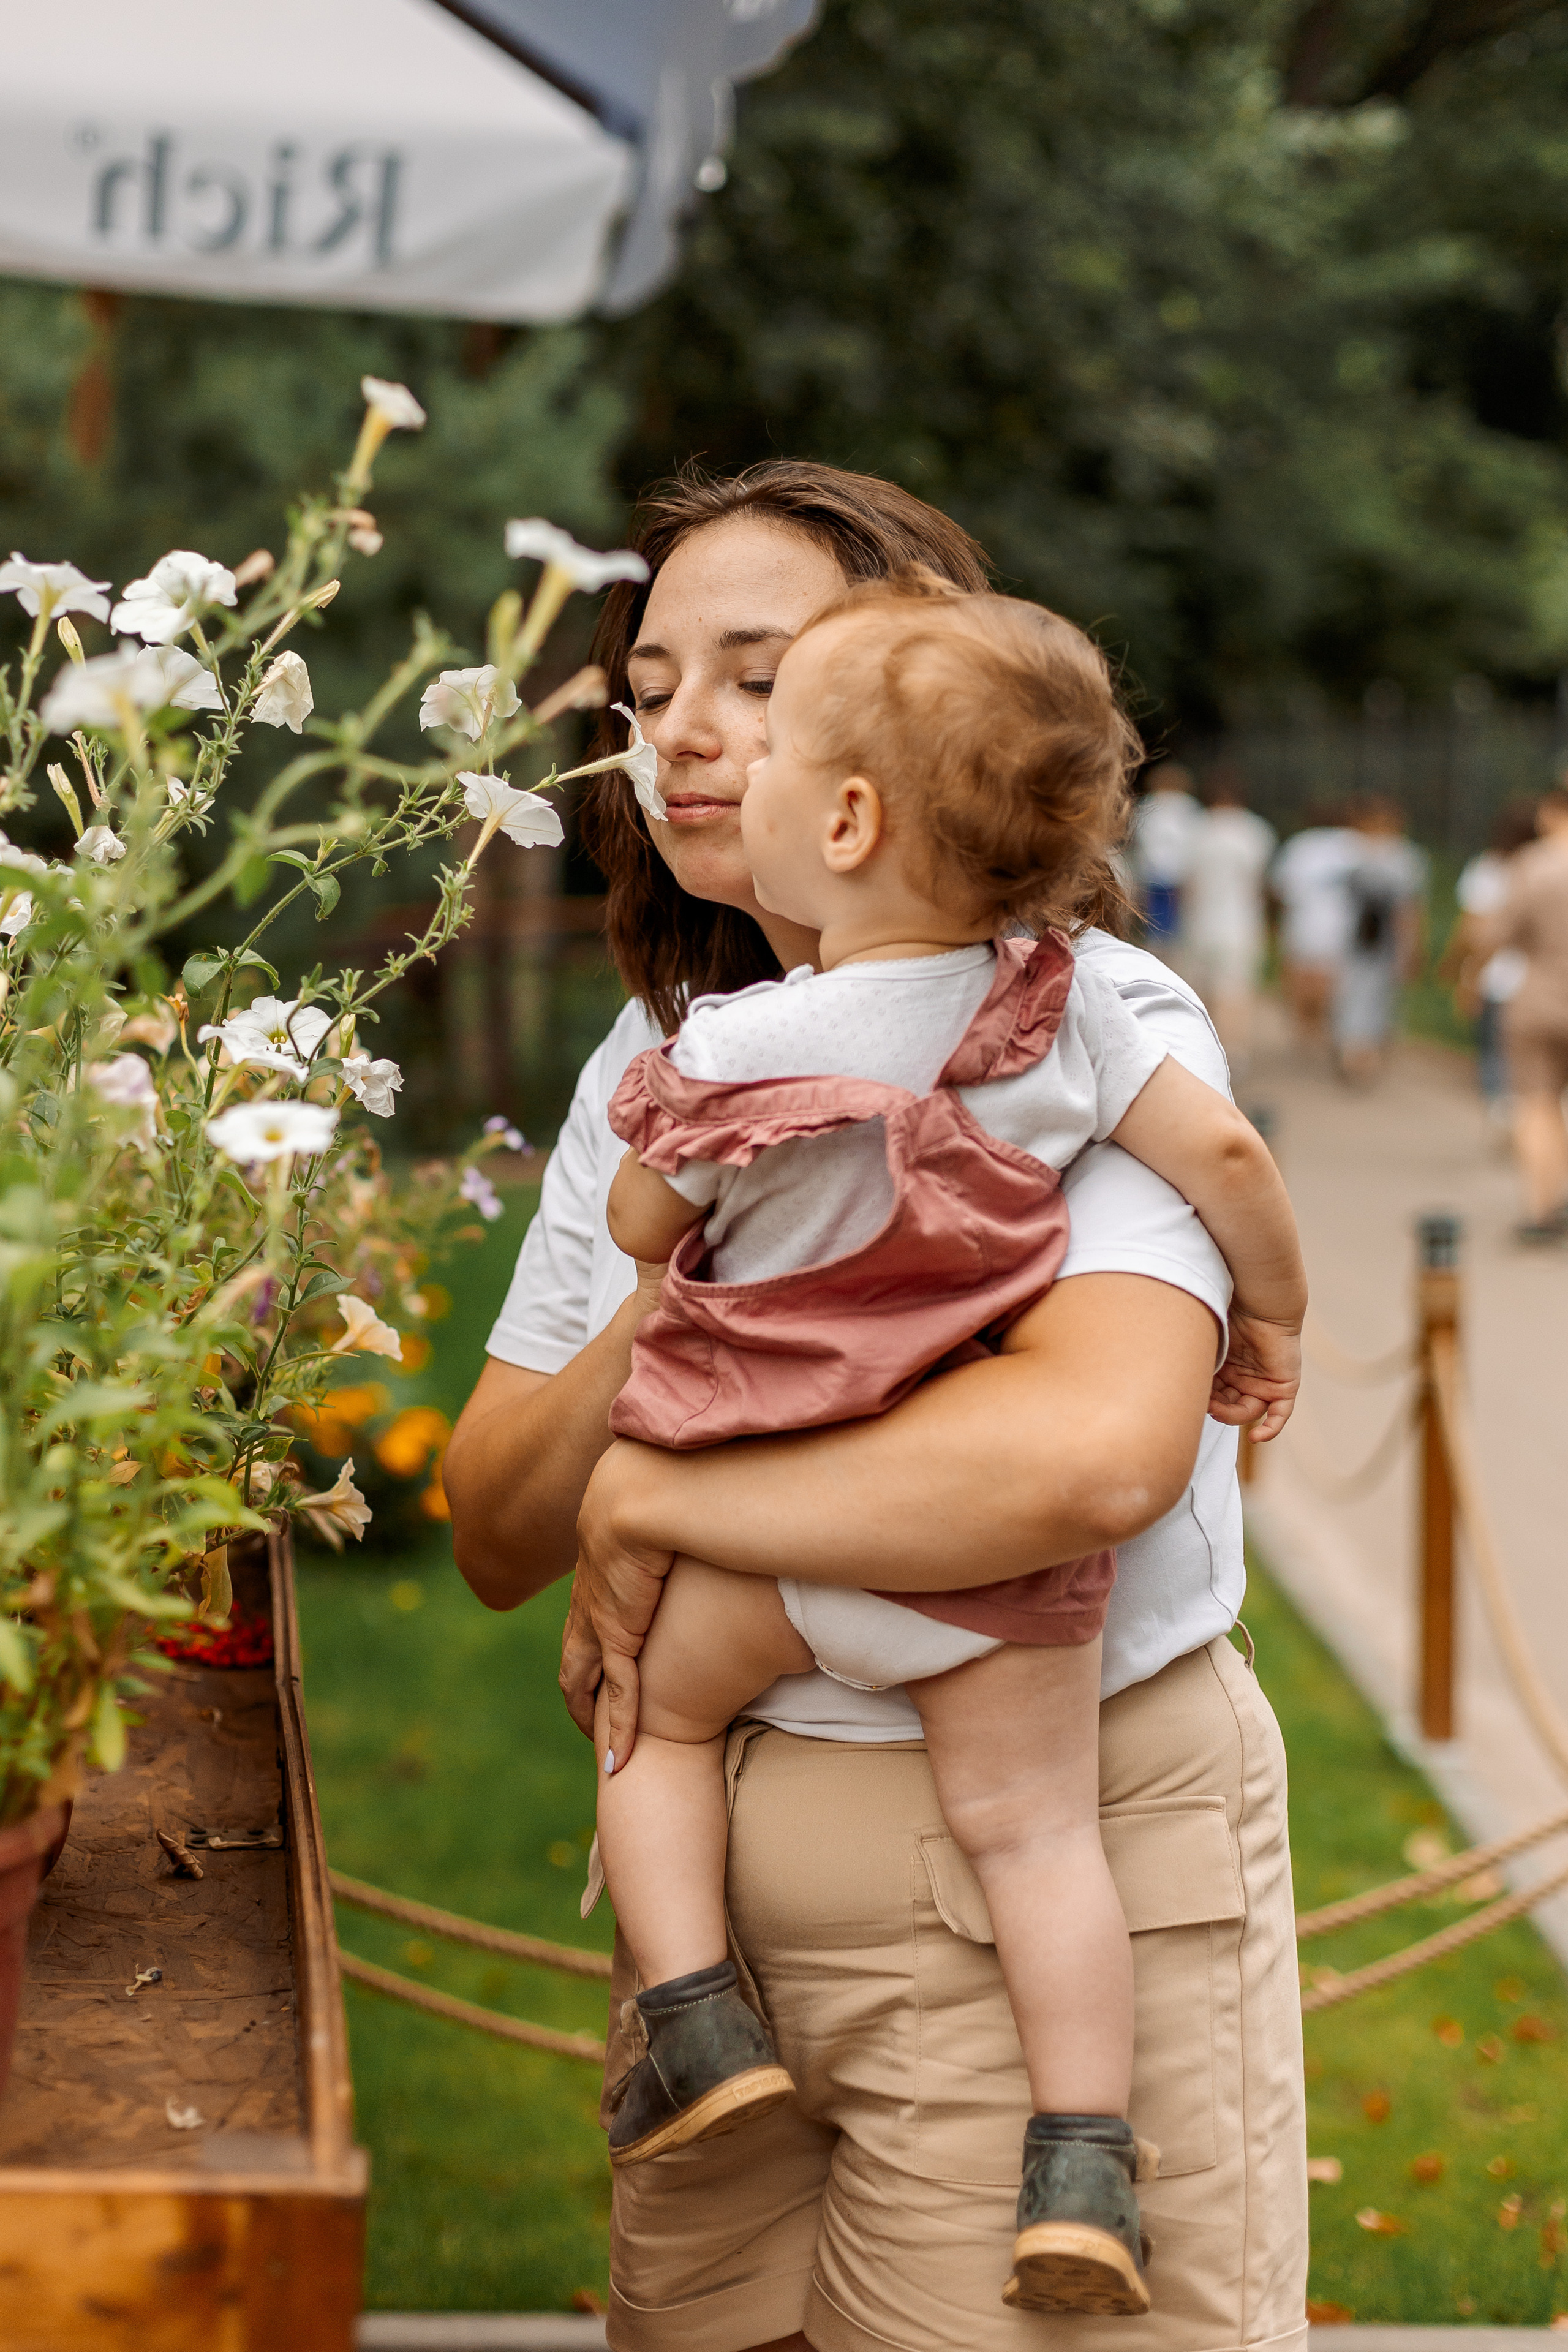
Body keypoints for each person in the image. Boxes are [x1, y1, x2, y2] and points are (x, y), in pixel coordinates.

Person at [443, 461, 1308, 2352]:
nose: (679, 727)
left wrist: (661, 1499)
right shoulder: (671, 1055)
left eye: (755, 674)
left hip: (1008, 1898)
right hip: (721, 1963)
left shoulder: (1078, 1026)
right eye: (647, 678)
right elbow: (497, 1526)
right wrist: (693, 1287)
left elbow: (1080, 1458)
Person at [1478, 781, 1568, 1241]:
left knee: (1537, 1102)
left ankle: (1540, 1208)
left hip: (1539, 1000)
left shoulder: (1531, 865)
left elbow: (1497, 933)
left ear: (1553, 811)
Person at [1444, 802, 1539, 1128]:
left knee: (1494, 1052)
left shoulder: (1488, 869)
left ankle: (1505, 1112)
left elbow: (1474, 928)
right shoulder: (1551, 867)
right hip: (1544, 983)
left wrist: (1463, 971)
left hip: (1498, 978)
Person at [1181, 771, 1276, 1082]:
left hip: (1201, 922)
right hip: (1240, 923)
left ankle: (1202, 1050)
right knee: (1236, 990)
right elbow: (1260, 885)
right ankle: (1234, 1052)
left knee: (1201, 989)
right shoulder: (1256, 830)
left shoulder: (1198, 828)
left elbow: (1189, 884)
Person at [1332, 799, 1425, 1085]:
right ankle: (1364, 1053)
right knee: (1375, 997)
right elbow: (1410, 909)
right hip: (1373, 939)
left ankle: (1356, 1052)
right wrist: (1413, 946)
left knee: (1358, 995)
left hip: (1363, 938)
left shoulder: (1349, 853)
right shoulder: (1404, 858)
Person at [1268, 805, 1356, 1054]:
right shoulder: (1355, 846)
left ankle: (1305, 1031)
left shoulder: (1299, 846)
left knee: (1300, 981)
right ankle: (1323, 1028)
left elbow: (1279, 890)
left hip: (1303, 925)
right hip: (1342, 929)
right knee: (1331, 983)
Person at [1126, 763, 1199, 950]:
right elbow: (1194, 842)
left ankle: (1155, 947)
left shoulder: (1147, 805)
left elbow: (1139, 842)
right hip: (1179, 874)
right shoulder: (1188, 806)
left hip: (1152, 873)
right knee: (1177, 923)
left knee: (1153, 920)